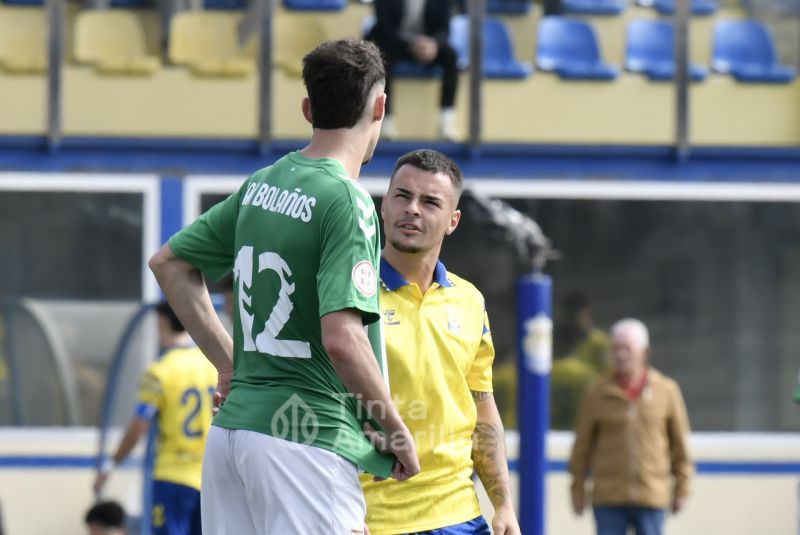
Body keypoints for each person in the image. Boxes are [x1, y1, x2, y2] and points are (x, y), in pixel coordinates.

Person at [148, 39, 419, 534]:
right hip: (305, 438)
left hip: (232, 437)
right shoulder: (347, 200)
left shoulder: (263, 183)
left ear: (307, 108)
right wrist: (395, 428)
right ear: (380, 107)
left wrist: (232, 365)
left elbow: (169, 264)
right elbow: (343, 338)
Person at [361, 149, 520, 535]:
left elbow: (483, 410)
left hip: (459, 516)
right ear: (384, 205)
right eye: (402, 196)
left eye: (430, 202)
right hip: (370, 520)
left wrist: (503, 506)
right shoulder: (352, 290)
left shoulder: (470, 301)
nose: (412, 209)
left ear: (453, 221)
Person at [93, 302, 216, 535]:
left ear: (161, 321)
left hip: (174, 474)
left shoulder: (161, 371)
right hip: (209, 475)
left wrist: (111, 464)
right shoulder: (210, 364)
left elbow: (139, 425)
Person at [569, 318, 693, 535]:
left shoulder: (667, 391)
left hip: (652, 496)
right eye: (615, 349)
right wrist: (577, 489)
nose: (620, 355)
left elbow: (680, 446)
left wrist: (682, 488)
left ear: (645, 352)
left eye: (627, 348)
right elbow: (582, 447)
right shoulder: (597, 392)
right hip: (608, 498)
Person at [366, 0, 460, 141]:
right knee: (380, 60)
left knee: (451, 57)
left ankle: (446, 122)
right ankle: (385, 122)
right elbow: (384, 27)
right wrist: (411, 44)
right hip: (394, 43)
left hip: (427, 45)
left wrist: (433, 44)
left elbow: (444, 29)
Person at [551, 292, 611, 430]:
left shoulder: (599, 343)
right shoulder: (555, 341)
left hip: (587, 415)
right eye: (570, 316)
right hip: (557, 418)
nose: (574, 321)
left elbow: (608, 379)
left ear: (587, 315)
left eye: (578, 315)